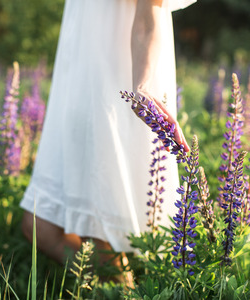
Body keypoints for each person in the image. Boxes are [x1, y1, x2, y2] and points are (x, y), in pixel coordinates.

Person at [20, 0, 196, 271]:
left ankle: (121, 287)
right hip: (74, 79)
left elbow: (150, 11)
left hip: (109, 87)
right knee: (39, 228)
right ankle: (115, 285)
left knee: (95, 235)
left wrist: (142, 85)